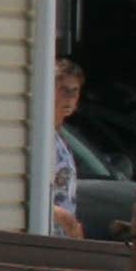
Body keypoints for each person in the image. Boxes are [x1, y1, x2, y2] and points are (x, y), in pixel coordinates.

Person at [51, 55, 88, 239]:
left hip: (63, 237)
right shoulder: (41, 137)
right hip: (44, 235)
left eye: (75, 90)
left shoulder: (61, 136)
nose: (70, 97)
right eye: (64, 90)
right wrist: (67, 220)